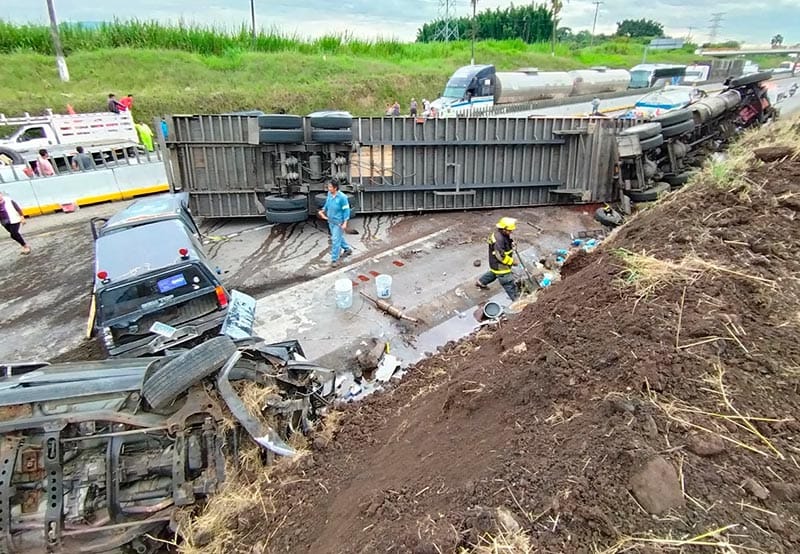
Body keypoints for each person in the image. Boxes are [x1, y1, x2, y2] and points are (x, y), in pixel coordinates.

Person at [475, 217, 519, 301]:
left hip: (495, 263)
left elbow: (506, 244)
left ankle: (481, 282)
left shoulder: (502, 234)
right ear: (504, 228)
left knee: (494, 273)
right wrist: (512, 262)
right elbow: (500, 256)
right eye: (509, 230)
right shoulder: (499, 239)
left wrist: (511, 244)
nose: (511, 232)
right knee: (507, 281)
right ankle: (516, 299)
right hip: (500, 264)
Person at [317, 181, 353, 267]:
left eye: (330, 187)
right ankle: (347, 249)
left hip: (338, 222)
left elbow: (346, 210)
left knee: (335, 240)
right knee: (337, 237)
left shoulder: (342, 198)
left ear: (335, 188)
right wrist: (323, 210)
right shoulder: (329, 194)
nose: (328, 189)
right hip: (331, 221)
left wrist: (345, 222)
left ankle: (334, 259)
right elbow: (327, 204)